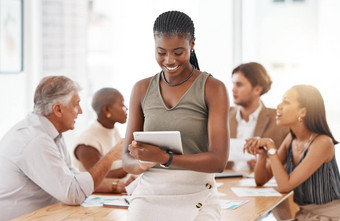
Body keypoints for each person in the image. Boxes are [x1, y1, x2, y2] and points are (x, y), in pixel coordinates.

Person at [122, 11, 229, 221]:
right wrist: (142, 160)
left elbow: (219, 161)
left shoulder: (213, 88)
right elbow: (126, 160)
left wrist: (164, 158)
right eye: (161, 52)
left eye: (178, 52)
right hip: (149, 195)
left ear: (192, 45)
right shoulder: (142, 89)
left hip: (198, 192)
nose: (169, 60)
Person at [0, 76, 122, 220]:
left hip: (46, 214)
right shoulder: (36, 140)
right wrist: (112, 156)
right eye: (76, 104)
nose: (81, 111)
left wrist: (117, 185)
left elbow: (74, 179)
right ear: (58, 109)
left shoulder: (52, 133)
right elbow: (74, 194)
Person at [243, 84, 340, 220]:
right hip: (304, 215)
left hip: (329, 216)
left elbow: (285, 186)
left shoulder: (323, 143)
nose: (279, 106)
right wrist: (263, 153)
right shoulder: (291, 139)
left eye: (286, 102)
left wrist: (271, 146)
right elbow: (261, 180)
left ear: (303, 112)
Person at [228, 62, 289, 170]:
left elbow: (294, 162)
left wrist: (269, 163)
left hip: (260, 184)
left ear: (257, 89)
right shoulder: (222, 116)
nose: (233, 89)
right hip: (225, 182)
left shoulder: (279, 120)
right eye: (233, 84)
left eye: (239, 84)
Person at [73, 87, 134, 193]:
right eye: (122, 104)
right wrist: (132, 166)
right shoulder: (87, 141)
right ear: (107, 110)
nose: (126, 109)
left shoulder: (113, 132)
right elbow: (96, 178)